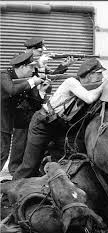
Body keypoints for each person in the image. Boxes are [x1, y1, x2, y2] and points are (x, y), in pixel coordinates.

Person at [13, 58, 106, 180]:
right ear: (89, 75)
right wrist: (104, 85)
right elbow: (89, 98)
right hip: (43, 123)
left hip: (60, 126)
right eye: (99, 73)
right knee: (30, 165)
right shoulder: (71, 82)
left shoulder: (89, 88)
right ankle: (8, 197)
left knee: (70, 158)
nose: (102, 76)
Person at [8, 37, 75, 175]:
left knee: (31, 143)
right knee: (20, 142)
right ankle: (15, 171)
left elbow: (49, 77)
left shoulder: (40, 63)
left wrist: (63, 66)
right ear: (30, 50)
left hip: (36, 103)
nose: (43, 51)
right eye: (39, 50)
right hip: (21, 107)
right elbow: (18, 81)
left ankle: (28, 171)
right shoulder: (20, 59)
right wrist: (39, 63)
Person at [0, 51, 44, 171]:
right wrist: (32, 82)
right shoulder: (4, 75)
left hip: (14, 121)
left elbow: (35, 102)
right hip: (2, 120)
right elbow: (11, 90)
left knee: (5, 153)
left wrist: (42, 91)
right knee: (2, 152)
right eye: (31, 67)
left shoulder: (26, 80)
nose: (33, 70)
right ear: (23, 66)